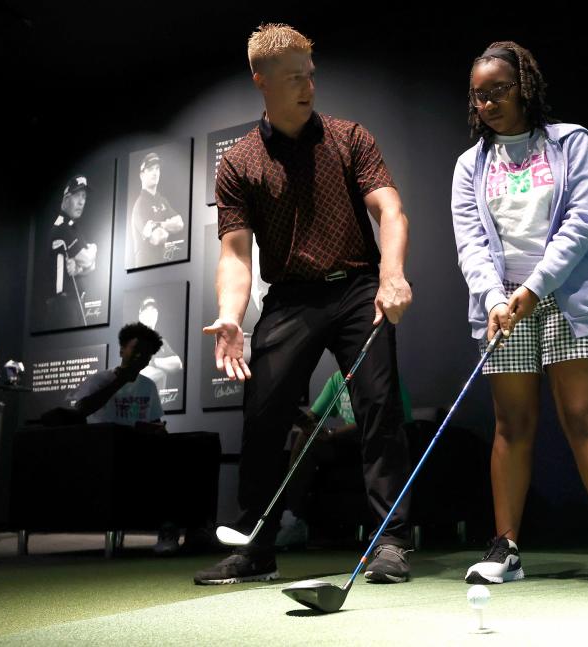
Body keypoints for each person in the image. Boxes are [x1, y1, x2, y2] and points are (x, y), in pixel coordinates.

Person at [196, 23, 413, 585]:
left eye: (310, 74)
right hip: (290, 296)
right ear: (260, 80)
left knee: (378, 407)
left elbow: (390, 211)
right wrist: (230, 313)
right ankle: (255, 546)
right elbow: (236, 253)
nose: (307, 86)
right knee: (264, 414)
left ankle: (389, 540)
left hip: (359, 286)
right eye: (294, 77)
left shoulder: (348, 137)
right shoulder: (239, 162)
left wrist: (392, 275)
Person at [450, 41, 588, 591]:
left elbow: (587, 219)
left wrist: (535, 289)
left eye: (498, 91)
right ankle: (507, 548)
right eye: (478, 95)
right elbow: (470, 242)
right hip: (502, 305)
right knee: (511, 424)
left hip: (565, 295)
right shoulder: (470, 165)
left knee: (583, 415)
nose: (487, 103)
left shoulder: (570, 142)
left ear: (524, 87)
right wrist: (495, 298)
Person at [67, 322, 180, 555]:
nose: (140, 356)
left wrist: (156, 430)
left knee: (178, 452)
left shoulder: (148, 386)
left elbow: (155, 421)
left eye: (147, 353)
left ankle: (175, 529)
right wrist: (119, 381)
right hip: (103, 450)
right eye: (135, 349)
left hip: (138, 448)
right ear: (121, 350)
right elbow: (81, 411)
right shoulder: (99, 380)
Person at [275, 371, 415, 549]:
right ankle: (293, 518)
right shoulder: (337, 379)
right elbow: (315, 415)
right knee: (305, 437)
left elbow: (378, 419)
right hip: (352, 445)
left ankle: (390, 535)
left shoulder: (380, 374)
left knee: (373, 429)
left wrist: (333, 434)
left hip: (384, 440)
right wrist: (303, 421)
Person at [42, 175, 97, 329]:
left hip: (73, 305)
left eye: (84, 196)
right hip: (62, 306)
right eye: (78, 196)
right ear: (66, 199)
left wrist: (79, 268)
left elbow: (92, 266)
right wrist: (94, 249)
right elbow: (88, 260)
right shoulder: (62, 228)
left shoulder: (73, 227)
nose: (82, 202)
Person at [130, 152, 185, 267]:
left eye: (157, 168)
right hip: (144, 271)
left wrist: (159, 224)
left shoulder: (162, 200)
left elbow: (180, 223)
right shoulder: (140, 205)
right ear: (142, 175)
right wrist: (169, 225)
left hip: (162, 266)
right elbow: (159, 237)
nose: (155, 173)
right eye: (150, 169)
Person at [136, 297, 184, 397]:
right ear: (140, 315)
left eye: (154, 310)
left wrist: (154, 362)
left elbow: (178, 363)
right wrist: (163, 367)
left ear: (157, 315)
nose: (151, 314)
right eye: (147, 311)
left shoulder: (161, 341)